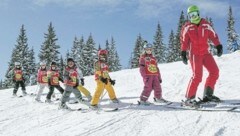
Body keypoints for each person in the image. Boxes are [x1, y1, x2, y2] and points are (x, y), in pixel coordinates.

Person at [180, 5, 223, 107]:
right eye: (191, 15)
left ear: (198, 13)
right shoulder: (187, 27)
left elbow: (213, 35)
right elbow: (184, 41)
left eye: (194, 14)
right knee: (197, 76)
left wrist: (218, 45)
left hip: (206, 53)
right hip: (195, 55)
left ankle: (208, 95)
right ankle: (189, 99)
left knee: (214, 71)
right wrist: (183, 53)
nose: (193, 17)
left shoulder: (205, 24)